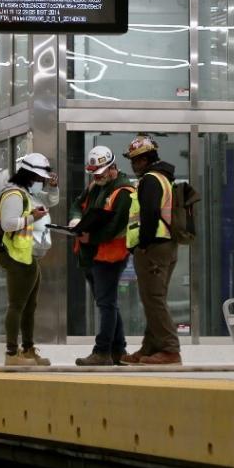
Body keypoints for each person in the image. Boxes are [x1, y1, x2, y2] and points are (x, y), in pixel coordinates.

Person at [70, 146, 134, 366]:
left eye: (99, 173)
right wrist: (75, 221)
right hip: (93, 254)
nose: (96, 177)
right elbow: (77, 205)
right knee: (108, 303)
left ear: (112, 168)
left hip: (110, 256)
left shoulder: (123, 193)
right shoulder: (96, 186)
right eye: (93, 173)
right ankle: (118, 350)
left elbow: (114, 228)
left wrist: (91, 239)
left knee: (106, 304)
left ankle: (102, 351)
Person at [122, 135, 182, 365]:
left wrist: (143, 245)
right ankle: (150, 347)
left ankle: (170, 349)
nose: (133, 165)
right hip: (164, 245)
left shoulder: (150, 180)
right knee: (152, 299)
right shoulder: (165, 179)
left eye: (135, 160)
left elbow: (149, 215)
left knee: (154, 299)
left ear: (145, 159)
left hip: (154, 247)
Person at [0, 152, 56, 367]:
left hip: (26, 255)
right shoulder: (14, 195)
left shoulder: (24, 194)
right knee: (17, 305)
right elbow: (8, 224)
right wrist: (33, 217)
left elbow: (52, 200)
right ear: (29, 175)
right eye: (39, 179)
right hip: (16, 256)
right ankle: (12, 353)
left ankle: (28, 349)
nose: (41, 182)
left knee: (29, 306)